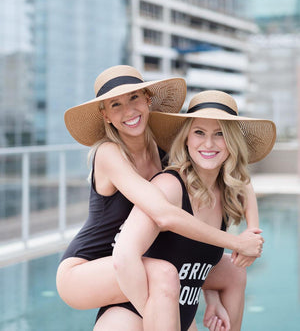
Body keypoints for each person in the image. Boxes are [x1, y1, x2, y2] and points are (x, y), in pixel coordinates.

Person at [56, 66, 265, 331]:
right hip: (87, 267)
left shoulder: (166, 154)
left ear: (147, 99)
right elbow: (164, 214)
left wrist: (212, 291)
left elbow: (239, 181)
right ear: (105, 115)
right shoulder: (108, 153)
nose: (129, 111)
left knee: (232, 270)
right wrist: (237, 241)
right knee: (163, 274)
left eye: (134, 98)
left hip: (135, 259)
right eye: (116, 104)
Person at [107, 90, 276, 331]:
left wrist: (252, 232)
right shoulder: (169, 186)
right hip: (134, 318)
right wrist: (156, 315)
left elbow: (244, 182)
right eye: (199, 132)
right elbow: (123, 256)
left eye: (220, 134)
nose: (209, 144)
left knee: (234, 272)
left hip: (179, 317)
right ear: (186, 138)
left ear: (232, 142)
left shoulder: (225, 192)